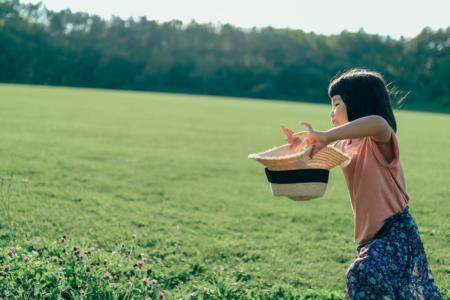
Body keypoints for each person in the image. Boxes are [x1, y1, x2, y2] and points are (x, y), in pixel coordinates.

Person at [286, 68, 442, 299]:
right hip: (369, 236)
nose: (332, 112)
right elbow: (313, 162)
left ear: (358, 102)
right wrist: (300, 148)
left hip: (396, 230)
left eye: (337, 103)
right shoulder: (344, 144)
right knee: (391, 290)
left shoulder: (378, 142)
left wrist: (328, 135)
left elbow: (378, 123)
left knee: (363, 273)